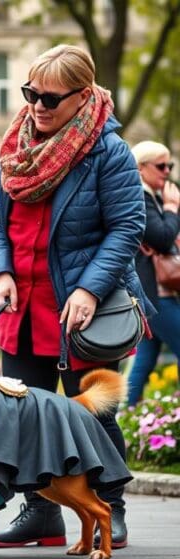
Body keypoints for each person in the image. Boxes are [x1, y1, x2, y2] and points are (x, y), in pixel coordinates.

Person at [0, 44, 152, 550]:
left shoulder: (108, 150)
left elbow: (128, 226)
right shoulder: (16, 147)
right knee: (25, 415)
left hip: (84, 309)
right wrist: (0, 273)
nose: (38, 105)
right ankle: (42, 511)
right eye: (31, 93)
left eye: (51, 98)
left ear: (82, 97)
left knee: (92, 413)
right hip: (23, 307)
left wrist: (89, 288)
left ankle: (110, 507)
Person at [126, 141, 180, 406]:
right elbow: (160, 236)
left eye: (169, 165)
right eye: (161, 166)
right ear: (140, 167)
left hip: (158, 292)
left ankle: (125, 416)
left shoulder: (154, 198)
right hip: (153, 294)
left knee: (145, 360)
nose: (167, 171)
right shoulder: (138, 196)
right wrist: (171, 209)